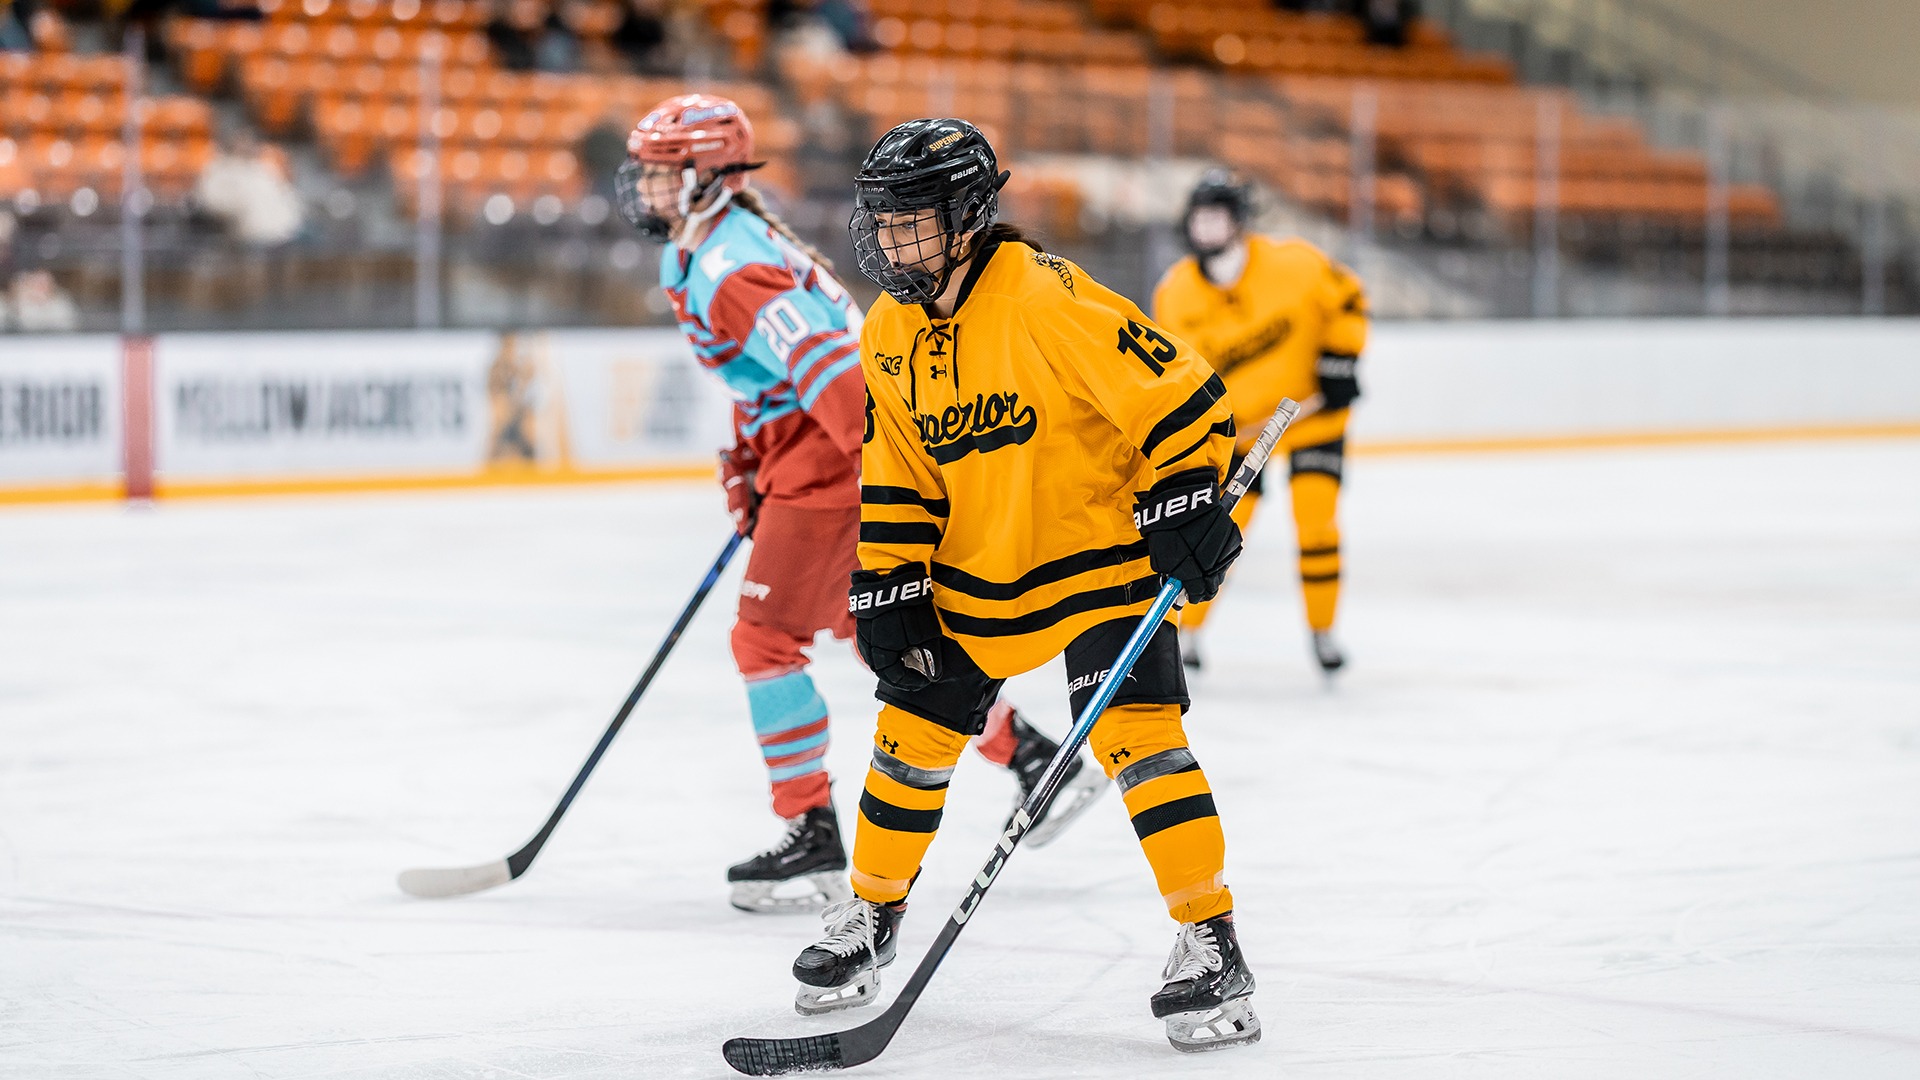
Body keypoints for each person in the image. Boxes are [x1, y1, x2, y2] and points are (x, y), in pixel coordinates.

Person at [788, 118, 1260, 1054]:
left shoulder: (1042, 296)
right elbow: (899, 473)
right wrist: (887, 578)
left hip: (1099, 561)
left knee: (1140, 741)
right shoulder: (886, 331)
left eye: (911, 222)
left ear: (966, 217)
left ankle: (1212, 940)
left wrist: (1185, 499)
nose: (890, 243)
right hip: (976, 573)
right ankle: (871, 914)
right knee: (910, 738)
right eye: (881, 222)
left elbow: (1183, 395)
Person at [615, 96, 1103, 913]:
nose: (646, 187)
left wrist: (887, 486)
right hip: (810, 456)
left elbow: (837, 379)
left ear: (709, 178)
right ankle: (1033, 759)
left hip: (833, 463)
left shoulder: (732, 267)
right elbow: (767, 380)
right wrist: (749, 459)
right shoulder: (706, 247)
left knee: (765, 639)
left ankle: (810, 832)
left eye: (664, 173)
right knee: (870, 634)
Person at [1151, 169, 1366, 676]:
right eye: (1199, 217)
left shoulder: (1294, 263)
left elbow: (1349, 300)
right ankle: (1187, 634)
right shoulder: (1176, 293)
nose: (1207, 228)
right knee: (1217, 531)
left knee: (1316, 518)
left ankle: (1323, 631)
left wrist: (1341, 357)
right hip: (1240, 433)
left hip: (1310, 418)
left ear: (1240, 220)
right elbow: (1172, 369)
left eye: (1217, 217)